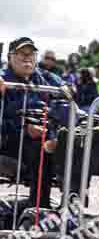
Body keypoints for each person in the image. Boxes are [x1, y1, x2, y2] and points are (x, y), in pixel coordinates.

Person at [0, 38, 66, 209]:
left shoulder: (42, 77)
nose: (27, 58)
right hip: (10, 139)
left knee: (73, 144)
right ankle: (40, 209)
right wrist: (24, 128)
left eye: (31, 54)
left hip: (43, 135)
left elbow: (62, 83)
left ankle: (70, 209)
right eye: (22, 53)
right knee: (41, 149)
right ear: (10, 57)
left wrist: (67, 86)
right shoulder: (3, 79)